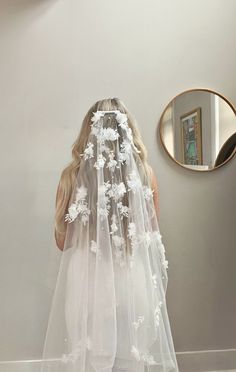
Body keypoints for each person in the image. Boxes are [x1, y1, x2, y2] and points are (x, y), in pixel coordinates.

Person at [40, 98, 179, 372]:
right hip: (131, 276)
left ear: (88, 132)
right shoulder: (144, 175)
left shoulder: (70, 176)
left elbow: (61, 243)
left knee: (93, 358)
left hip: (88, 280)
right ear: (128, 131)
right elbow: (150, 232)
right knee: (130, 356)